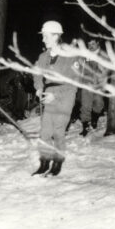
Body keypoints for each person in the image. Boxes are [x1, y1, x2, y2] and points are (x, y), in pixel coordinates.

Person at [32, 20, 80, 176]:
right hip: (49, 94)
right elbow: (37, 73)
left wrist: (56, 95)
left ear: (56, 36)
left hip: (65, 95)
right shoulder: (43, 56)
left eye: (46, 36)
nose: (43, 39)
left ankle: (57, 162)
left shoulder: (70, 56)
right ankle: (44, 162)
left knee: (58, 131)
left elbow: (74, 82)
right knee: (45, 132)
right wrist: (39, 88)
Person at [79, 39, 105, 137]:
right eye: (89, 44)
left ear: (98, 44)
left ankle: (94, 119)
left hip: (98, 84)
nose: (90, 46)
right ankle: (85, 126)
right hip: (86, 83)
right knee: (85, 105)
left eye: (93, 44)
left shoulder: (103, 55)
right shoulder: (84, 55)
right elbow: (78, 68)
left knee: (99, 104)